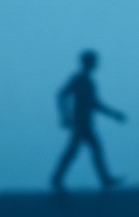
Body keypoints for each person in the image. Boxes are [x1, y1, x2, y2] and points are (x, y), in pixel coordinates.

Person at [50, 49, 126, 192]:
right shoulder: (79, 79)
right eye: (94, 61)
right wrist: (65, 116)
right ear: (88, 63)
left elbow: (94, 103)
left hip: (86, 123)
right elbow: (61, 95)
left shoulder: (88, 81)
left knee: (88, 149)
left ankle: (103, 179)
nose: (96, 64)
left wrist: (115, 114)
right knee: (77, 150)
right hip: (80, 123)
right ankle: (57, 179)